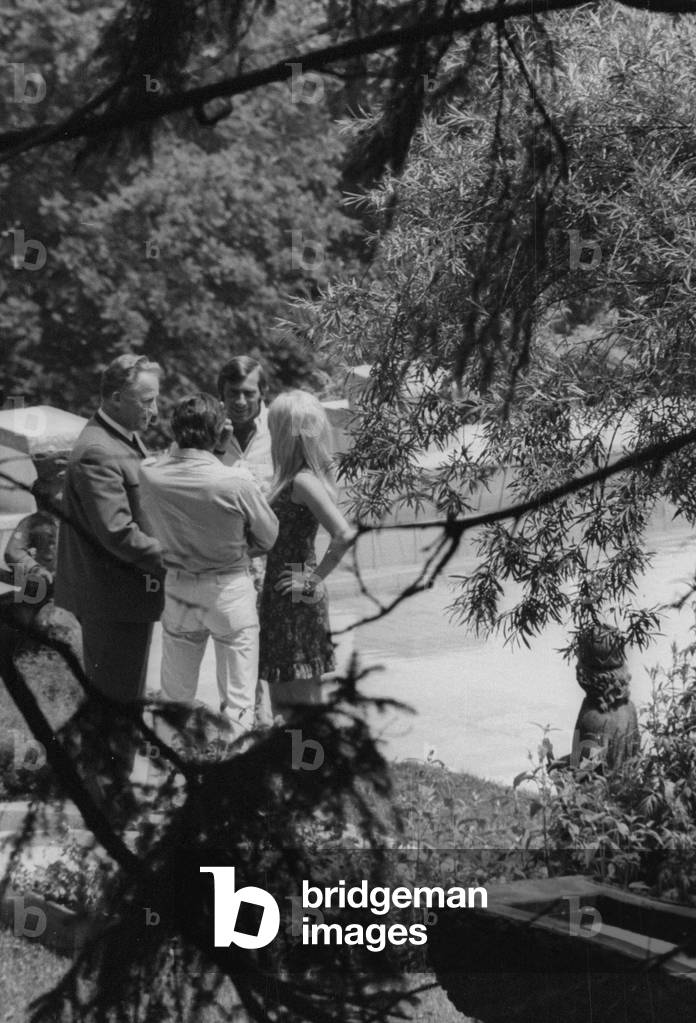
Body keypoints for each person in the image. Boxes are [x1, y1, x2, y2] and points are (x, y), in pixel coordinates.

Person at [139, 393, 278, 740]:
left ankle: (167, 775)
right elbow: (269, 536)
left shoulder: (151, 473)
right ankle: (234, 782)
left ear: (176, 431)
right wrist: (241, 547)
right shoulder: (235, 481)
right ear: (218, 433)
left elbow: (170, 457)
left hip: (178, 586)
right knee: (238, 703)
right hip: (228, 587)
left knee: (174, 699)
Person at [55, 354, 165, 702]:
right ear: (116, 397)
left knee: (122, 709)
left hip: (123, 599)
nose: (155, 410)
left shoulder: (122, 438)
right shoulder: (98, 451)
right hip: (112, 602)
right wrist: (180, 558)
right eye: (147, 401)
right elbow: (117, 532)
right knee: (115, 714)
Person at [259, 389, 356, 715]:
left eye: (273, 427)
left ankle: (311, 765)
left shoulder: (302, 481)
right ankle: (297, 764)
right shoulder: (292, 478)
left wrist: (313, 580)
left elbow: (343, 534)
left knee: (301, 705)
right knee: (287, 701)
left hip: (296, 590)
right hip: (282, 591)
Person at [571, 623, 640, 772]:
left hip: (599, 792)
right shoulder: (630, 708)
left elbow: (581, 772)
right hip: (624, 788)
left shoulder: (590, 716)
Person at [215, 355, 273, 494]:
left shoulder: (279, 427)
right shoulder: (204, 431)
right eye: (233, 393)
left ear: (262, 393)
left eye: (248, 394)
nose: (240, 402)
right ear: (222, 394)